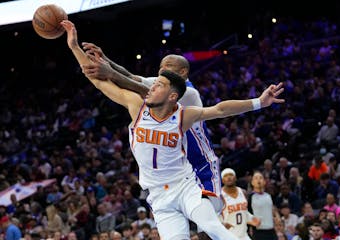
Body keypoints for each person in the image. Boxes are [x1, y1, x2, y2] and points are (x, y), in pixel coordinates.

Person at [61, 19, 284, 240]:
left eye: (162, 79)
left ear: (175, 89)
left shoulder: (187, 100)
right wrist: (75, 47)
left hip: (194, 174)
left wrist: (259, 102)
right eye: (157, 77)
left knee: (212, 227)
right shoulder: (140, 105)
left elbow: (220, 108)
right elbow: (105, 80)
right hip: (159, 193)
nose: (156, 80)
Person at [81, 43, 223, 212]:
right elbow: (130, 77)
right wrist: (105, 59)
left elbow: (142, 91)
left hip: (202, 164)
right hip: (178, 170)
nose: (162, 70)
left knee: (206, 223)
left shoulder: (189, 93)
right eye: (161, 66)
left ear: (183, 72)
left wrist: (110, 73)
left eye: (168, 66)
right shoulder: (160, 85)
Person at [220, 168, 261, 240]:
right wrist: (221, 224)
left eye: (231, 175)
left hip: (243, 235)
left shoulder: (243, 192)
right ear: (223, 180)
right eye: (226, 176)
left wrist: (252, 218)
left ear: (235, 178)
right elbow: (214, 215)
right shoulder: (220, 196)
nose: (229, 177)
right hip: (228, 236)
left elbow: (244, 211)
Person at [248, 171, 279, 240]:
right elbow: (247, 213)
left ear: (264, 182)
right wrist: (250, 226)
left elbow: (272, 208)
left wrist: (277, 216)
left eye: (260, 178)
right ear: (252, 182)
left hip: (271, 230)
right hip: (259, 231)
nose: (258, 180)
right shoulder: (250, 197)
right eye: (256, 178)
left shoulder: (268, 196)